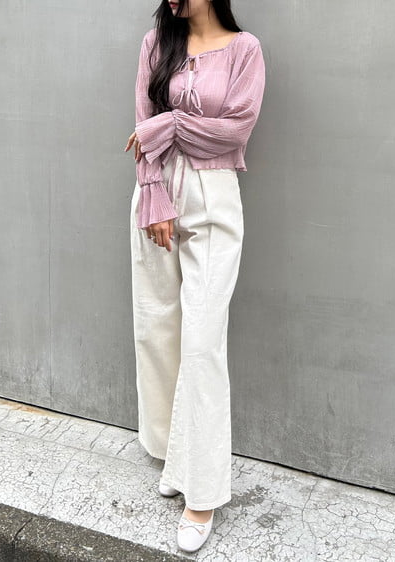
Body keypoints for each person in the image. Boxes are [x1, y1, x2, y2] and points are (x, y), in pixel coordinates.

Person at [124, 0, 265, 553]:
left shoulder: (245, 50)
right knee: (157, 325)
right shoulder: (156, 43)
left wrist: (169, 124)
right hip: (156, 195)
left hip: (213, 197)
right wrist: (154, 193)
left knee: (202, 341)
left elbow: (234, 133)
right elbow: (143, 131)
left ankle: (201, 493)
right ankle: (170, 455)